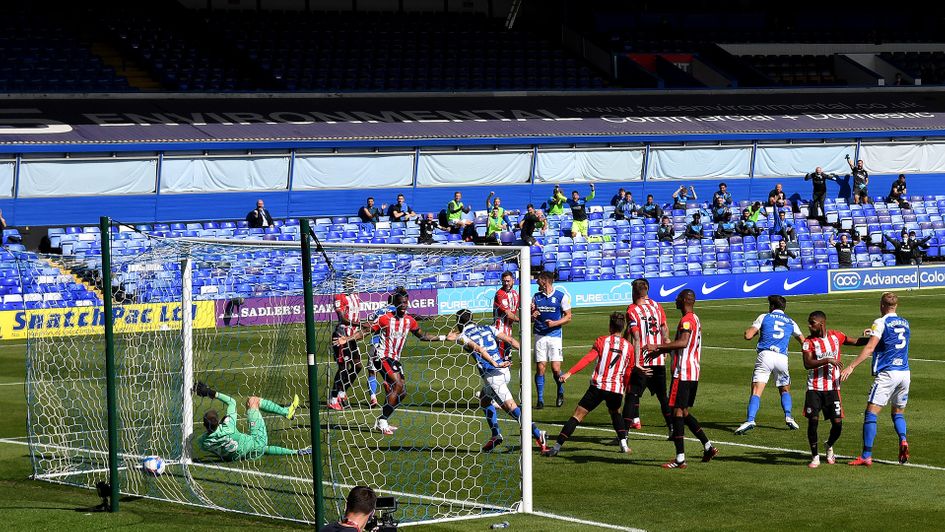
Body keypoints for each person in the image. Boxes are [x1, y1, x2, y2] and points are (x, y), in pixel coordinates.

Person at [334, 292, 448, 435]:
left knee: (403, 392)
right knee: (398, 385)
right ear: (395, 304)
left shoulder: (409, 321)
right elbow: (366, 331)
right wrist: (348, 339)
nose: (403, 305)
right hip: (381, 356)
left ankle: (383, 418)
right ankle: (382, 422)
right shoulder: (385, 319)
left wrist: (444, 337)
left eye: (405, 303)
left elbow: (423, 336)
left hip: (394, 359)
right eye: (400, 303)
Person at [450, 309, 548, 453]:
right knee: (484, 399)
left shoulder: (463, 336)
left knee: (512, 408)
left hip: (492, 376)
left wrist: (449, 337)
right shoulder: (487, 327)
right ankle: (495, 435)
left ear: (459, 323)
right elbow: (509, 340)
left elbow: (457, 339)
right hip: (504, 371)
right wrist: (526, 352)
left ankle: (538, 433)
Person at [642, 289, 718, 469]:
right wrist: (661, 351)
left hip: (683, 372)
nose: (675, 300)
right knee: (683, 412)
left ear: (684, 300)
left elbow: (683, 342)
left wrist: (657, 345)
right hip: (693, 372)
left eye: (677, 298)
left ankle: (680, 459)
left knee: (676, 412)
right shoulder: (695, 318)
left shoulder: (686, 320)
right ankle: (708, 447)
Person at [543, 312, 636, 457]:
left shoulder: (601, 341)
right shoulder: (629, 347)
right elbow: (629, 372)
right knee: (615, 413)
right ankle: (624, 445)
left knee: (577, 415)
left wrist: (569, 373)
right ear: (623, 327)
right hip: (615, 389)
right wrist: (623, 388)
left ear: (610, 326)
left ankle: (556, 447)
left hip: (597, 387)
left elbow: (587, 359)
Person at [841, 292, 912, 466]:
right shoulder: (905, 323)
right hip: (905, 373)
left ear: (882, 305)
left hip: (888, 374)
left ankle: (866, 455)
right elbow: (891, 341)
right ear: (896, 306)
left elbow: (870, 348)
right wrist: (873, 333)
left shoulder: (880, 322)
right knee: (897, 413)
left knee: (871, 413)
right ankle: (903, 439)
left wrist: (851, 366)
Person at [801, 311, 868, 468]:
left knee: (837, 424)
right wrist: (827, 360)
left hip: (833, 387)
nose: (809, 326)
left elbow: (856, 341)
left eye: (812, 323)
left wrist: (873, 337)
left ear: (821, 324)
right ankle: (815, 456)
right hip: (814, 387)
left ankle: (829, 445)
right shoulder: (808, 342)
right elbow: (807, 363)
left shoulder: (836, 336)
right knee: (813, 421)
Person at [734, 295, 805, 435]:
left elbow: (748, 335)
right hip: (782, 358)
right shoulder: (791, 322)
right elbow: (804, 341)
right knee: (784, 390)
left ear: (772, 306)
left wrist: (754, 332)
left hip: (765, 356)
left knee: (756, 390)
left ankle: (750, 420)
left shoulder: (764, 317)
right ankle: (789, 417)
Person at [193, 382, 306, 460]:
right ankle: (287, 412)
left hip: (243, 455)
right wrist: (210, 392)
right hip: (256, 443)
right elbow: (232, 402)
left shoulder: (203, 442)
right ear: (218, 422)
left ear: (204, 425)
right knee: (252, 401)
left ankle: (295, 452)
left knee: (258, 448)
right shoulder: (228, 426)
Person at [622, 278, 672, 436]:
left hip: (643, 360)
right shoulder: (657, 306)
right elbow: (664, 329)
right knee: (663, 396)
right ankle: (672, 429)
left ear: (634, 292)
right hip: (658, 358)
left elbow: (636, 337)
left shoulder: (632, 310)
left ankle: (624, 434)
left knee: (632, 395)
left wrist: (636, 362)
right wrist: (664, 351)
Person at [532, 271, 572, 409]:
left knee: (556, 369)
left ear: (544, 281)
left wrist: (554, 323)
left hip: (555, 335)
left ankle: (560, 392)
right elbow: (531, 316)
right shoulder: (536, 297)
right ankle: (540, 400)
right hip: (539, 335)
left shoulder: (561, 296)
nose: (536, 282)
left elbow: (568, 317)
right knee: (540, 367)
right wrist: (533, 315)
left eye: (538, 280)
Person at [363, 287, 407, 407]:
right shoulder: (397, 311)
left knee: (372, 372)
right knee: (390, 372)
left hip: (375, 342)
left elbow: (370, 323)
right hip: (389, 346)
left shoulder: (379, 310)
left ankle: (373, 398)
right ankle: (390, 388)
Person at [329, 277, 363, 411]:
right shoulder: (339, 296)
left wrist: (358, 329)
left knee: (358, 366)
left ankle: (342, 393)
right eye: (348, 282)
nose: (351, 285)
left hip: (352, 337)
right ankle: (333, 399)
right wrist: (359, 324)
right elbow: (342, 318)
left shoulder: (355, 296)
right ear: (344, 284)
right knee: (343, 367)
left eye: (353, 282)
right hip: (342, 335)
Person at [493, 271, 520, 361]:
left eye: (508, 281)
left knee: (507, 360)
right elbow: (508, 314)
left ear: (513, 280)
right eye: (504, 281)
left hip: (509, 330)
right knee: (500, 361)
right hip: (499, 331)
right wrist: (523, 320)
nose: (506, 283)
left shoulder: (515, 294)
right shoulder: (500, 293)